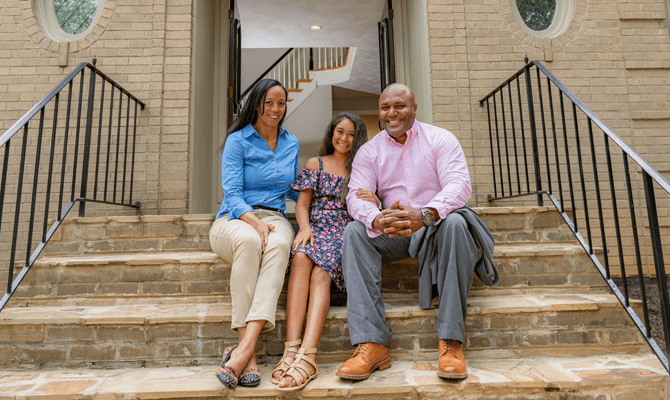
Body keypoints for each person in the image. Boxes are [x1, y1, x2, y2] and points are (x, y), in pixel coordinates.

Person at [336, 83, 496, 381]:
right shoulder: (369, 151)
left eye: (400, 106)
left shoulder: (440, 139)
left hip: (435, 227)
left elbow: (458, 186)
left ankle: (450, 341)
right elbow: (356, 195)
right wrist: (377, 220)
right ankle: (371, 343)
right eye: (386, 107)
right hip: (394, 230)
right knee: (355, 232)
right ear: (380, 112)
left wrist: (425, 214)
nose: (392, 113)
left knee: (458, 223)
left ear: (414, 108)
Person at [272, 112, 378, 391]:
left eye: (351, 134)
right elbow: (302, 205)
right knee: (301, 257)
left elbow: (370, 206)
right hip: (314, 226)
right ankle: (291, 349)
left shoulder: (361, 171)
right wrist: (304, 229)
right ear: (331, 133)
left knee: (321, 274)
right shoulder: (315, 164)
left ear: (358, 139)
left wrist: (377, 199)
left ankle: (309, 355)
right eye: (339, 131)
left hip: (343, 232)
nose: (344, 138)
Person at [209, 79, 298, 389]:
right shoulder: (238, 140)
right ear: (257, 103)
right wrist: (256, 223)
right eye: (269, 102)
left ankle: (243, 350)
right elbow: (232, 194)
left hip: (275, 217)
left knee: (280, 244)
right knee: (249, 241)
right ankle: (247, 352)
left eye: (281, 103)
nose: (276, 109)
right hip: (234, 219)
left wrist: (327, 199)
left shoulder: (291, 143)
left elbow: (292, 190)